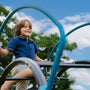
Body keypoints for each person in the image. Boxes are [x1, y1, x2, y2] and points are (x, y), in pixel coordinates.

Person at [0, 19, 47, 90]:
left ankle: (8, 83)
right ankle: (8, 83)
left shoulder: (32, 42)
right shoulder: (16, 40)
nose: (28, 29)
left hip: (29, 66)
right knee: (36, 70)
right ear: (19, 29)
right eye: (25, 27)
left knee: (22, 87)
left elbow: (36, 57)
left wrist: (43, 61)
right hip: (19, 66)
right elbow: (5, 53)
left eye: (30, 28)